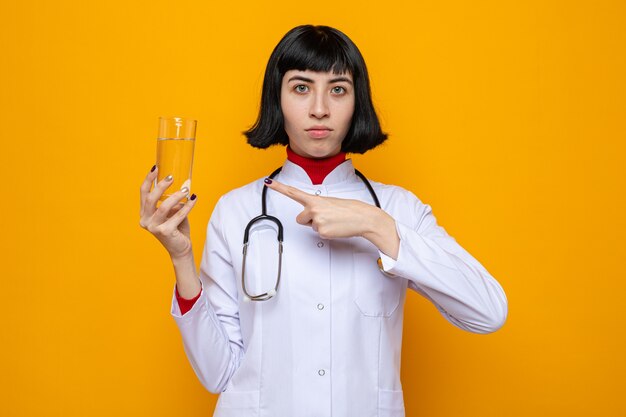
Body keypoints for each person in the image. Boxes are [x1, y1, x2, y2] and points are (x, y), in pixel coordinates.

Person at [139, 25, 507, 417]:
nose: (319, 108)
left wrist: (376, 225)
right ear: (276, 100)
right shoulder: (236, 211)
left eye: (337, 89)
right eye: (301, 87)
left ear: (356, 101)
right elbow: (218, 373)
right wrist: (181, 257)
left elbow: (487, 311)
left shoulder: (397, 209)